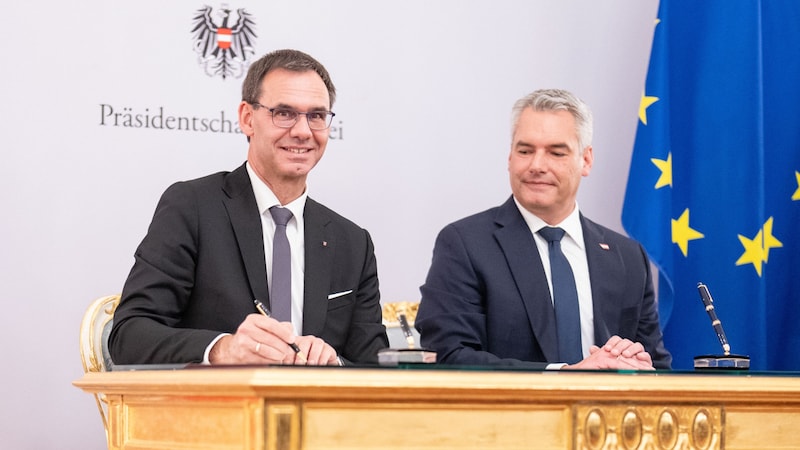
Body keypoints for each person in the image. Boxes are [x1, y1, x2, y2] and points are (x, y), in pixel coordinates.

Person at [109, 49, 388, 367]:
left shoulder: (352, 241)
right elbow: (129, 335)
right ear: (247, 118)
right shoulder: (193, 207)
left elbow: (373, 367)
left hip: (319, 415)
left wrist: (333, 363)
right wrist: (223, 349)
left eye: (317, 116)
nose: (302, 131)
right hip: (216, 413)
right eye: (284, 113)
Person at [415, 89, 672, 370]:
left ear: (585, 160)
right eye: (525, 151)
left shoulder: (627, 256)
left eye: (556, 152)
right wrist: (565, 374)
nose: (537, 165)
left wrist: (639, 365)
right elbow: (449, 355)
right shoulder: (465, 244)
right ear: (510, 157)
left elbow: (658, 366)